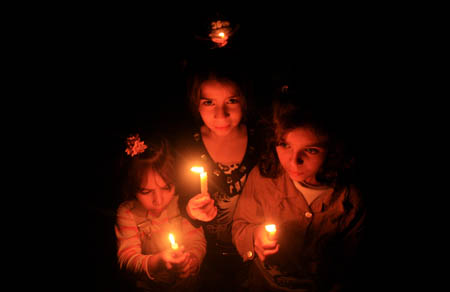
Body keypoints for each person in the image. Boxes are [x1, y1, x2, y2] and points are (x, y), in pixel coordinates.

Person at [232, 87, 367, 292]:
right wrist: (254, 237)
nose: (294, 162)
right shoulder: (263, 178)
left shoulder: (349, 200)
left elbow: (349, 264)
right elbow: (240, 226)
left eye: (311, 150)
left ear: (333, 149)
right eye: (284, 145)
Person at [174, 53, 260, 292]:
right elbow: (177, 199)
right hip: (204, 258)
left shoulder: (262, 141)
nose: (221, 115)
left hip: (257, 258)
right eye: (208, 102)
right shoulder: (186, 145)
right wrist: (190, 210)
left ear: (245, 100)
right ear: (195, 103)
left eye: (231, 101)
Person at [115, 133, 207, 292]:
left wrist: (192, 260)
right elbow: (127, 259)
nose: (158, 199)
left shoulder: (180, 204)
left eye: (166, 188)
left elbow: (197, 240)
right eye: (146, 191)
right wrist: (158, 261)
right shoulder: (128, 213)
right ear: (133, 188)